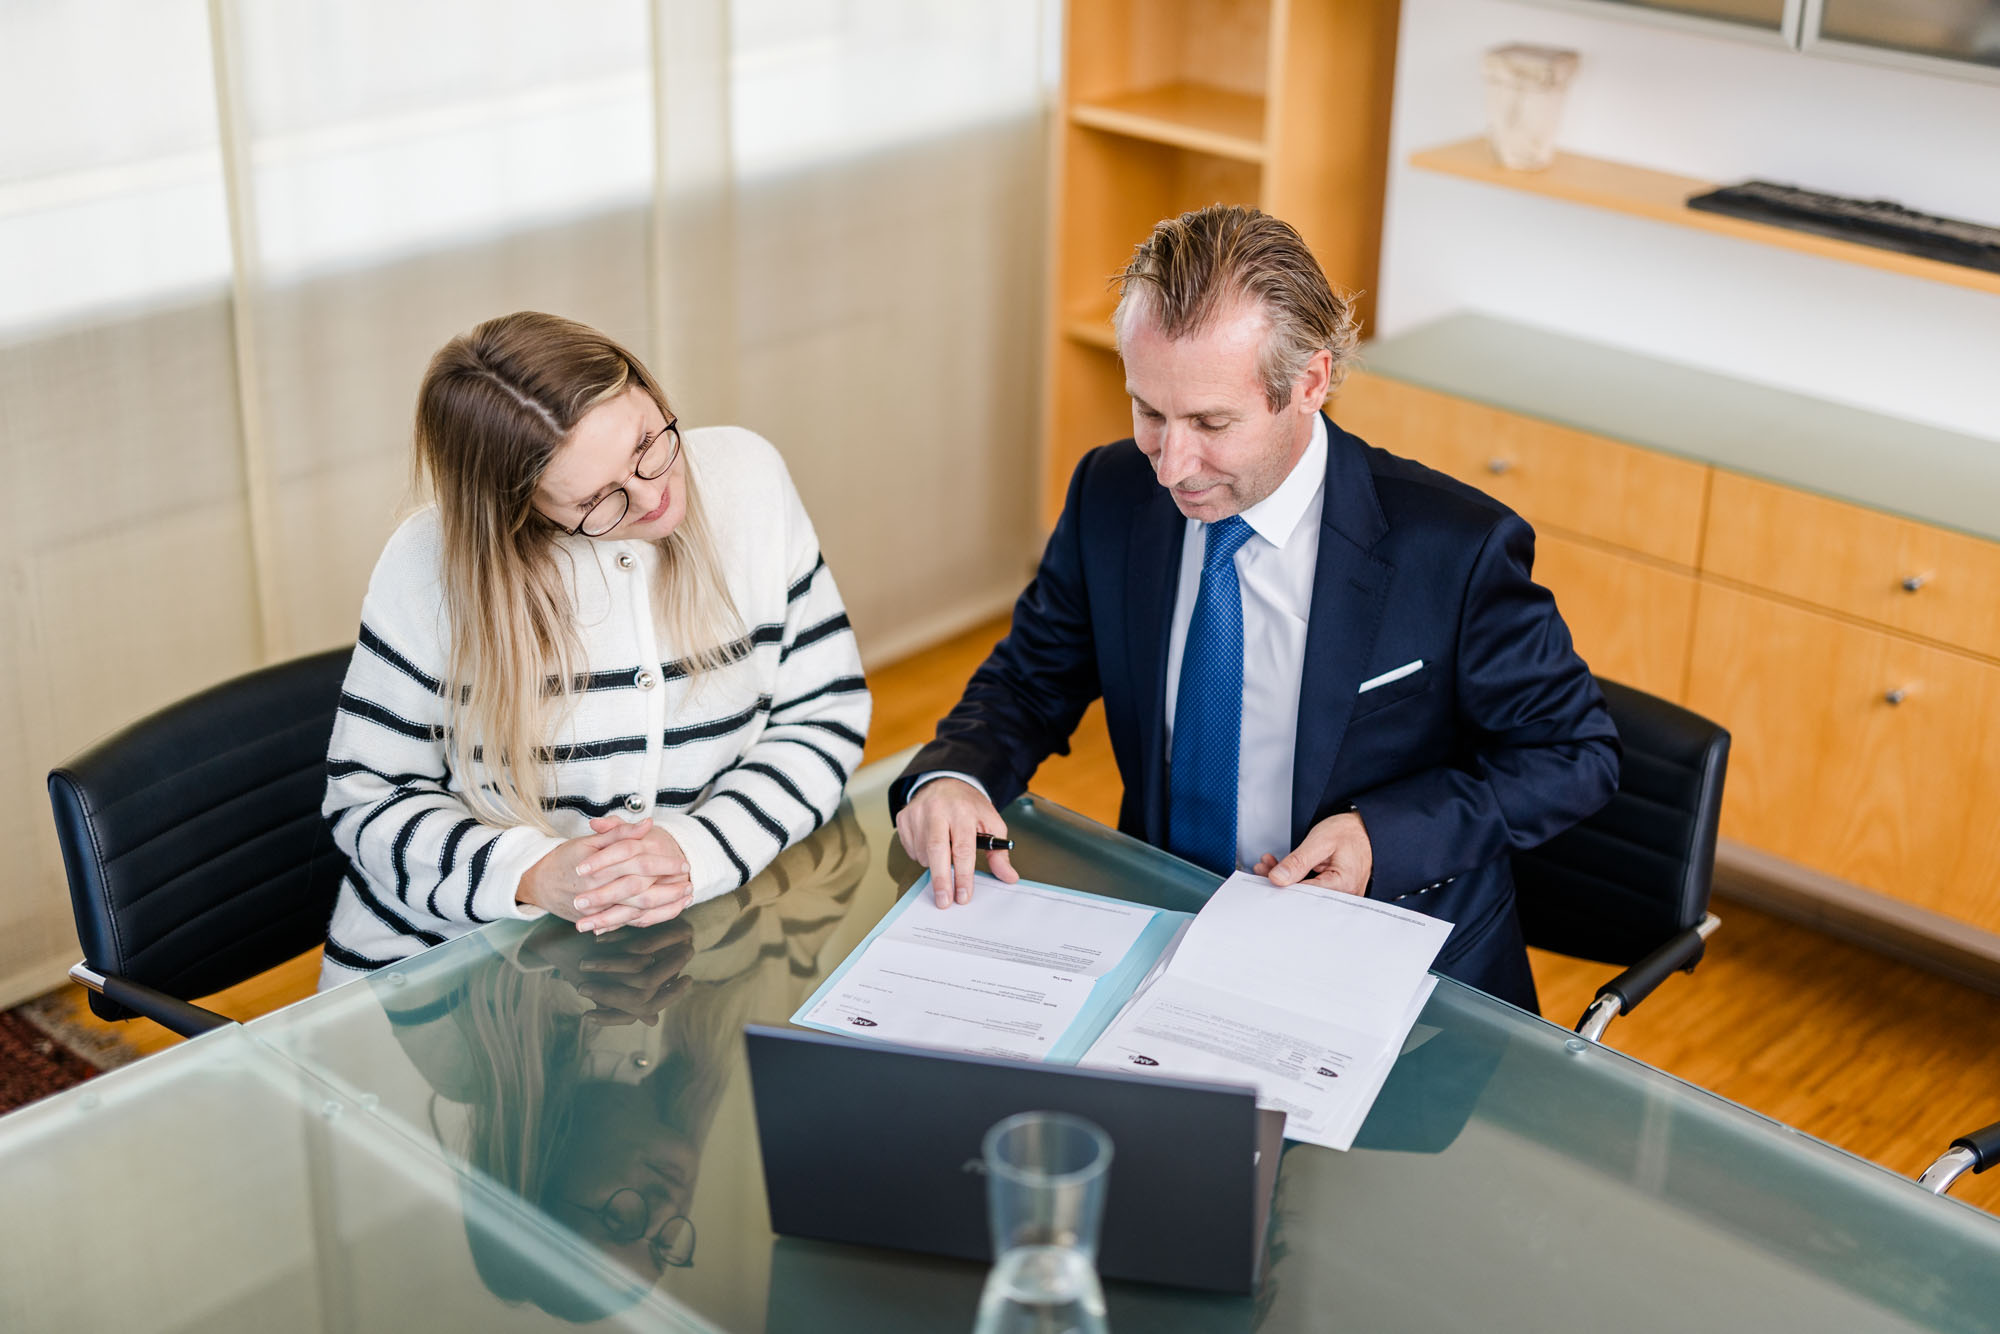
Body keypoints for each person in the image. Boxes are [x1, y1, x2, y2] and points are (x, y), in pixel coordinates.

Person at [891, 206, 1618, 1011]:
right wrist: (953, 775)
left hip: (1395, 972)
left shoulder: (1454, 549)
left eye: (1211, 422)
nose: (1171, 466)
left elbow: (1574, 753)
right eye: (1149, 412)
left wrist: (1382, 836)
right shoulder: (1112, 493)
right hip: (1170, 940)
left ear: (1310, 383)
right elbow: (1031, 678)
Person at [320, 311, 869, 989]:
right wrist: (533, 873)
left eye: (647, 442)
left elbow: (822, 715)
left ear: (647, 387)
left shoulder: (749, 481)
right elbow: (370, 800)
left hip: (703, 948)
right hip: (450, 979)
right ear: (521, 509)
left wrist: (693, 850)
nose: (653, 494)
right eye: (599, 499)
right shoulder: (427, 567)